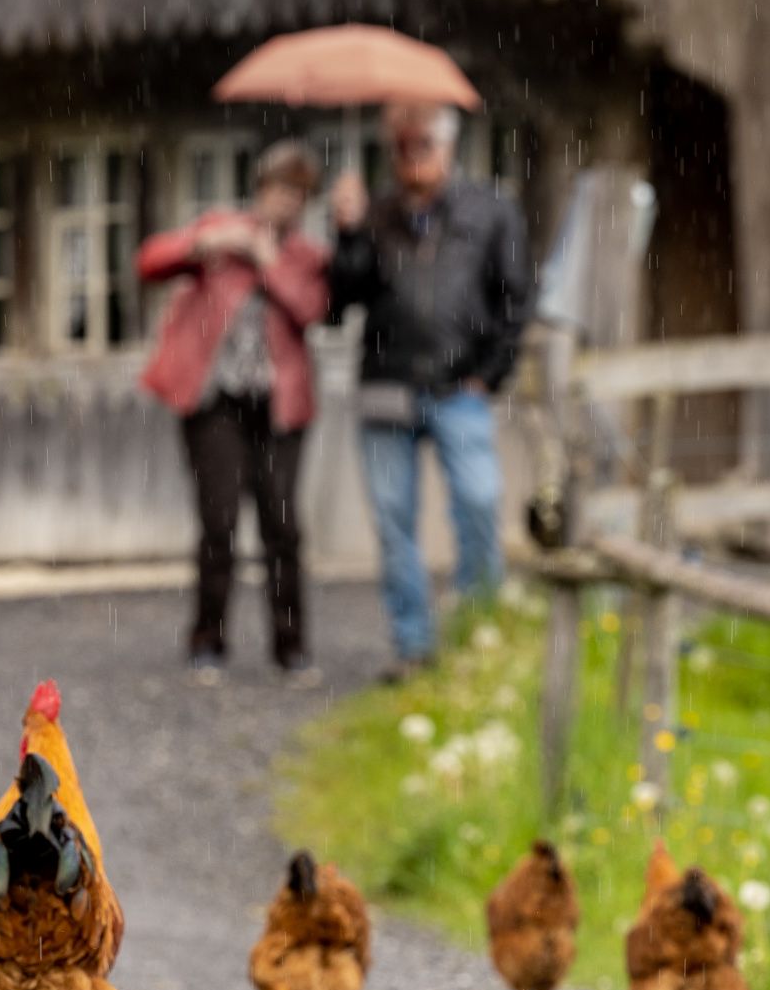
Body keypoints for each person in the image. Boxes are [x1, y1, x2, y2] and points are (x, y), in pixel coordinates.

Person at [327, 103, 531, 680]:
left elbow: (516, 298)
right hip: (387, 384)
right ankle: (413, 644)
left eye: (422, 145)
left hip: (458, 385)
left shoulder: (489, 211)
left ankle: (479, 631)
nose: (411, 157)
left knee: (478, 501)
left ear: (447, 147)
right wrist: (346, 233)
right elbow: (339, 301)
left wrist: (490, 373)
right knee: (393, 519)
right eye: (401, 146)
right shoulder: (374, 215)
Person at [137, 141, 330, 684]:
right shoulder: (223, 235)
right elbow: (150, 260)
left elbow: (313, 311)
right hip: (216, 405)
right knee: (218, 522)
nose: (285, 201)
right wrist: (207, 242)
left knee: (283, 527)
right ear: (260, 189)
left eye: (297, 193)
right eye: (278, 188)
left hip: (279, 408)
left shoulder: (306, 256)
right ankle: (207, 641)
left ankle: (291, 648)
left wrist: (270, 264)